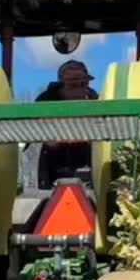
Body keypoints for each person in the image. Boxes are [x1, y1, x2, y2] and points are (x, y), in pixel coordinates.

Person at [35, 60, 99, 188]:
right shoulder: (46, 102)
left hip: (87, 164)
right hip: (54, 166)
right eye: (72, 83)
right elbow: (39, 130)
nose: (79, 86)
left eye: (83, 82)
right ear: (62, 85)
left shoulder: (96, 102)